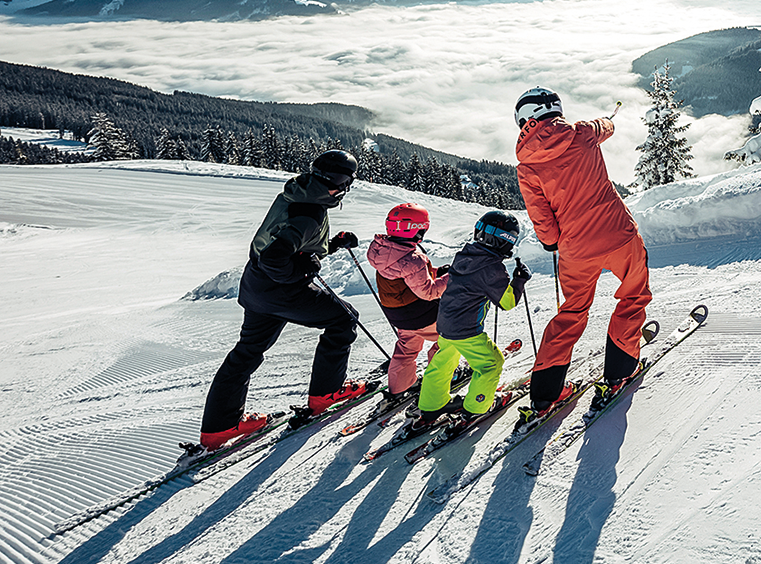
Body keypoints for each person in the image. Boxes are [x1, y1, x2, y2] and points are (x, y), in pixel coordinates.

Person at [198, 149, 370, 450]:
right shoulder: (311, 212)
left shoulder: (297, 193)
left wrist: (331, 245)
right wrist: (300, 271)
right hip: (281, 290)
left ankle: (219, 427)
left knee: (247, 351)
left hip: (256, 287)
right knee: (344, 319)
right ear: (344, 183)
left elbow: (289, 243)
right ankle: (326, 394)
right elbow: (276, 259)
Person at [514, 87, 654, 413]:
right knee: (633, 294)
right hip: (619, 235)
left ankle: (545, 392)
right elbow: (606, 126)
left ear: (524, 120)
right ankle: (621, 369)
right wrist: (609, 119)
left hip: (575, 250)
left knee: (572, 312)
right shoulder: (583, 133)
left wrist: (551, 242)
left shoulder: (526, 167)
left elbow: (541, 217)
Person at [411, 211, 531, 426]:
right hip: (465, 330)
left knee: (443, 361)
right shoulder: (492, 268)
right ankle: (476, 408)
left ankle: (431, 405)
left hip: (446, 322)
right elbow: (507, 302)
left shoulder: (465, 254)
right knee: (491, 363)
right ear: (504, 240)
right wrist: (519, 281)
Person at [365, 203, 450, 400]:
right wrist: (450, 278)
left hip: (397, 314)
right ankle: (439, 377)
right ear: (416, 230)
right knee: (449, 337)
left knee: (406, 348)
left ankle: (399, 388)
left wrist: (436, 272)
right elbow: (429, 292)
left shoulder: (381, 251)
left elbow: (405, 276)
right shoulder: (413, 258)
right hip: (421, 314)